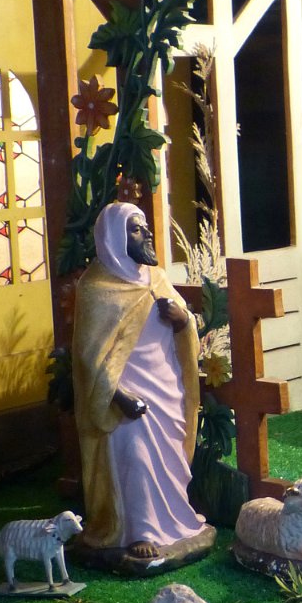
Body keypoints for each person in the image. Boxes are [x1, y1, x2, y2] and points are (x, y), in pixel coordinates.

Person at [72, 202, 206, 560]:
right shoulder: (97, 288)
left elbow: (185, 325)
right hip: (125, 395)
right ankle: (140, 530)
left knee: (169, 457)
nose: (146, 233)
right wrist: (118, 395)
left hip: (165, 388)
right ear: (114, 238)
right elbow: (88, 358)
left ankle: (172, 522)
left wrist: (182, 319)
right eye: (135, 228)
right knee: (136, 455)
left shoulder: (157, 278)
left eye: (145, 226)